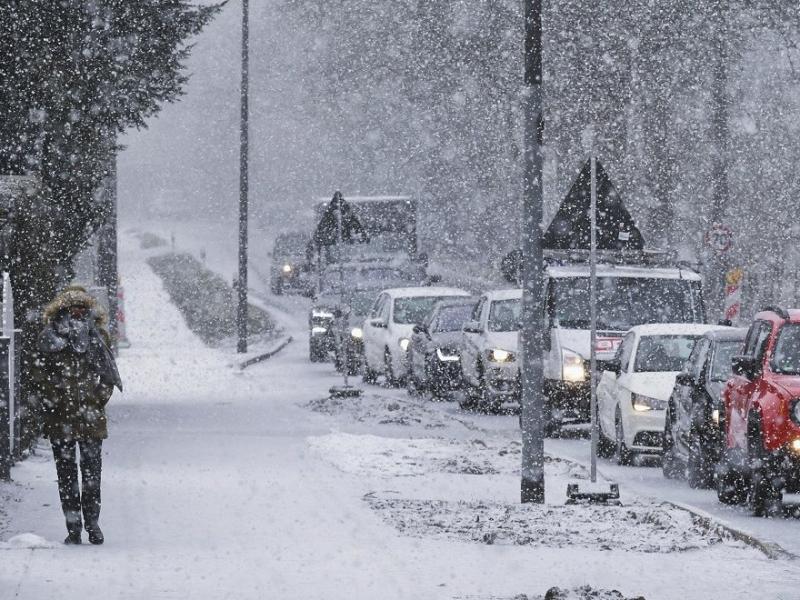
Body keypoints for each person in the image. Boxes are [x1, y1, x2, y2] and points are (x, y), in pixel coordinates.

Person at [35, 286, 122, 545]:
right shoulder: (49, 338)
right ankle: (73, 527)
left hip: (90, 418)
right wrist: (54, 395)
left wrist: (96, 399)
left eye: (82, 308)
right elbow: (39, 374)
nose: (77, 311)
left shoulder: (98, 336)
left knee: (92, 474)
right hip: (59, 417)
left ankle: (93, 524)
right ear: (62, 309)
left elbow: (107, 374)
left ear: (88, 311)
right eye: (72, 307)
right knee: (66, 475)